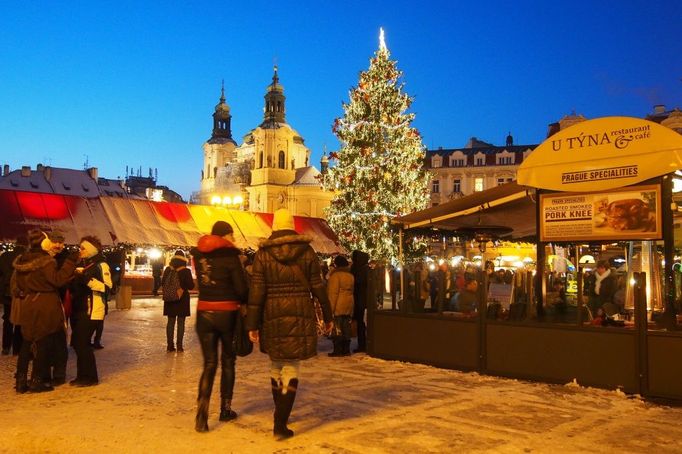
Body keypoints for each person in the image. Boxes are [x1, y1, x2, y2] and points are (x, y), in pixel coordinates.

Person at [245, 208, 333, 440]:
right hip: (299, 312)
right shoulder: (307, 252)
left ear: (274, 227)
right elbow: (318, 287)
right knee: (291, 366)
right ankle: (280, 422)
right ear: (292, 225)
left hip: (271, 314)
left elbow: (256, 293)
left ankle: (280, 415)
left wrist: (252, 325)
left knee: (276, 365)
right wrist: (328, 315)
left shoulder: (262, 255)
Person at [190, 221, 248, 432]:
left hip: (204, 312)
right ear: (224, 236)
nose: (234, 240)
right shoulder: (230, 257)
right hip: (227, 313)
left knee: (209, 364)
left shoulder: (199, 255)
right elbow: (242, 290)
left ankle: (201, 415)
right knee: (228, 361)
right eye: (232, 236)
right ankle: (225, 408)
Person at [12, 229, 77, 393]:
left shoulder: (22, 260)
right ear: (44, 243)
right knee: (43, 343)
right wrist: (70, 263)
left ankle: (21, 380)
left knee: (27, 342)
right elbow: (57, 280)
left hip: (28, 303)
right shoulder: (46, 261)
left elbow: (17, 286)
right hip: (45, 305)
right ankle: (37, 380)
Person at [69, 236, 112, 387]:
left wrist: (86, 279)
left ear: (91, 249)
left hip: (92, 310)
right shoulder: (84, 264)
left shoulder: (101, 265)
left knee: (82, 343)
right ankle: (82, 375)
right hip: (79, 309)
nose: (80, 251)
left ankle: (90, 377)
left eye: (83, 248)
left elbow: (107, 288)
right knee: (78, 343)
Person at [162, 250, 194, 352]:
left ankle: (169, 346)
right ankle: (179, 347)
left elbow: (162, 283)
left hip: (169, 298)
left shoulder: (168, 269)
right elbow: (191, 286)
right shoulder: (186, 271)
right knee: (181, 322)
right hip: (182, 299)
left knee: (170, 322)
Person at [0, 235, 27, 356]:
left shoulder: (5, 256)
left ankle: (5, 347)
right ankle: (17, 348)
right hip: (21, 293)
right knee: (20, 320)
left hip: (7, 293)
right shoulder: (26, 258)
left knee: (8, 320)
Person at [327, 255, 354, 357]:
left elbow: (332, 294)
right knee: (346, 327)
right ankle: (346, 349)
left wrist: (331, 309)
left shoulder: (335, 276)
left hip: (338, 304)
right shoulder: (350, 276)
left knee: (337, 327)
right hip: (348, 304)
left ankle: (337, 349)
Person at [350, 250, 369, 352]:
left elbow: (358, 282)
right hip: (360, 300)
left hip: (361, 301)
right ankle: (362, 344)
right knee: (360, 323)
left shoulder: (361, 270)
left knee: (361, 324)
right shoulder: (361, 268)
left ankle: (362, 345)